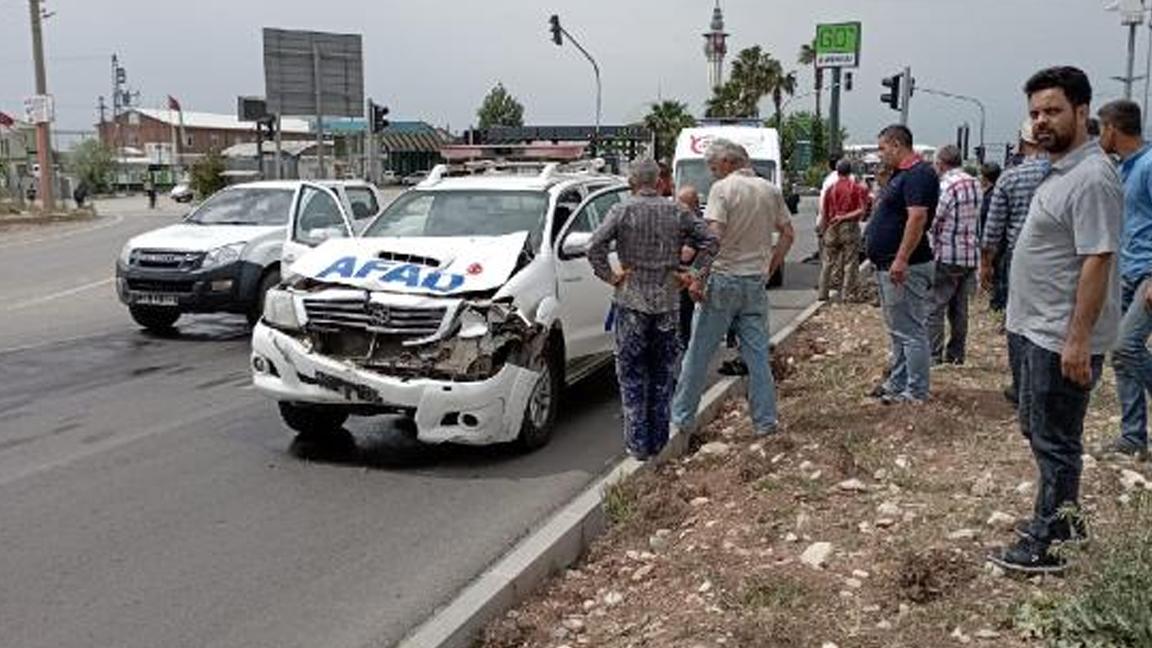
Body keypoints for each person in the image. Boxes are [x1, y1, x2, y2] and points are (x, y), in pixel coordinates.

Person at [987, 67, 1123, 574]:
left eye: (1053, 111)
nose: (1041, 122)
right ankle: (1063, 519)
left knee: (1055, 440)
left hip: (1058, 336)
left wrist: (1078, 340)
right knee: (1038, 430)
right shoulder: (1061, 169)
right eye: (1035, 113)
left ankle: (1053, 542)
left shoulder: (1090, 177)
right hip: (1034, 327)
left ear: (1082, 113)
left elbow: (1098, 258)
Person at [588, 159, 718, 461]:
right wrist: (692, 273)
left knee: (631, 373)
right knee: (662, 373)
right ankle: (659, 440)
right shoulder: (676, 210)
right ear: (659, 181)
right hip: (667, 300)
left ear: (632, 182)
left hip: (632, 299)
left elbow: (594, 245)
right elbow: (711, 240)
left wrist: (610, 276)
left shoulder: (622, 210)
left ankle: (637, 443)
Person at [672, 139, 795, 437]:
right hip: (754, 283)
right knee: (757, 358)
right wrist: (769, 268)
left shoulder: (723, 190)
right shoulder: (770, 190)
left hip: (723, 280)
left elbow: (713, 237)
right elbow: (788, 234)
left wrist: (699, 276)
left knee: (699, 352)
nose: (713, 174)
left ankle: (682, 417)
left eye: (714, 167)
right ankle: (765, 422)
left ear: (728, 162)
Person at [865, 124, 938, 405]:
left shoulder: (919, 174)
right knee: (899, 330)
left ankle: (916, 390)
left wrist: (901, 258)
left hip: (905, 267)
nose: (880, 155)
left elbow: (917, 217)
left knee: (910, 331)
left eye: (882, 148)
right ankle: (898, 382)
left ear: (897, 145)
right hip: (889, 265)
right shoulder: (902, 175)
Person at [980, 120, 1051, 404]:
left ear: (1022, 143)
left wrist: (986, 265)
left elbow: (993, 230)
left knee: (1019, 322)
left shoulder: (1011, 178)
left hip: (1020, 257)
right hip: (1060, 259)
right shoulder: (1063, 174)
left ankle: (1023, 388)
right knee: (1050, 321)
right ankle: (1046, 385)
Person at [1096, 100, 1152, 459]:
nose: (1099, 134)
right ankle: (1133, 437)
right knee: (1121, 354)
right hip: (1127, 272)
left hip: (1148, 273)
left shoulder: (1148, 166)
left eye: (1101, 127)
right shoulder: (1122, 169)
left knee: (1126, 347)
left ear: (1113, 128)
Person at [928, 145, 981, 365]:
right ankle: (957, 354)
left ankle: (934, 354)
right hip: (969, 255)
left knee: (935, 306)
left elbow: (936, 218)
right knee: (960, 309)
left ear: (941, 163)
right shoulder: (975, 183)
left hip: (948, 254)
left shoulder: (946, 186)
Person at [818, 159, 868, 301]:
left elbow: (825, 212)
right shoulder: (855, 188)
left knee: (827, 261)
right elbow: (861, 210)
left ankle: (823, 292)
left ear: (837, 171)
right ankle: (846, 294)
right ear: (850, 171)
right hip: (849, 226)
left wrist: (824, 229)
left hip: (832, 226)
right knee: (850, 261)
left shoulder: (830, 189)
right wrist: (845, 216)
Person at [977, 162, 1002, 240]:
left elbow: (982, 215)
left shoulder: (989, 196)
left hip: (987, 237)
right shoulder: (998, 191)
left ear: (985, 179)